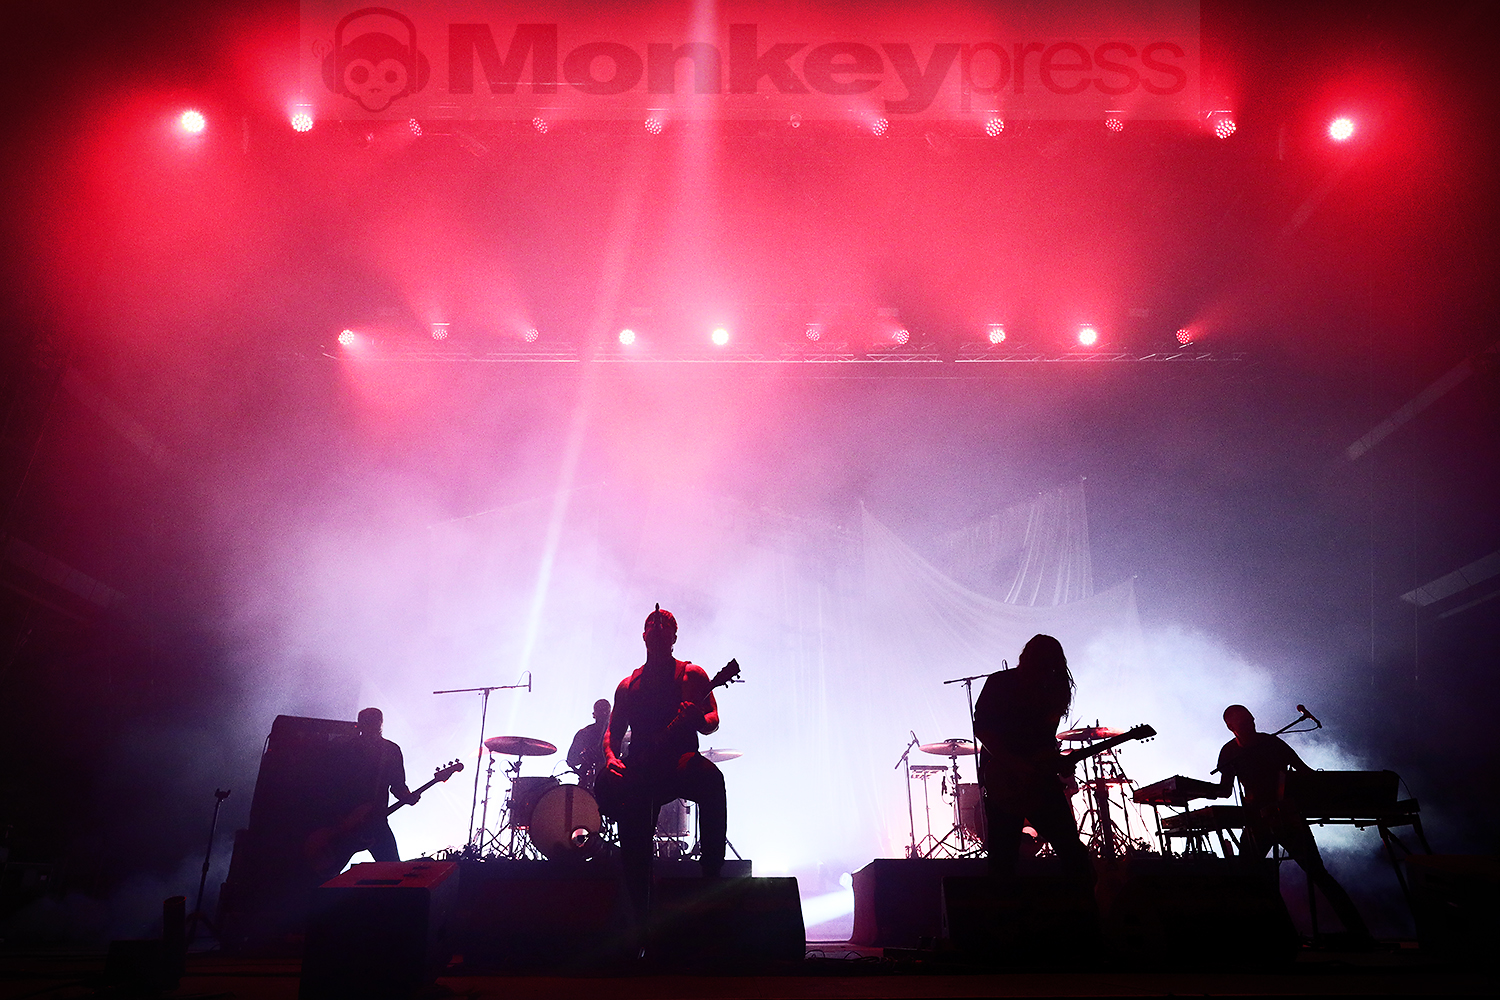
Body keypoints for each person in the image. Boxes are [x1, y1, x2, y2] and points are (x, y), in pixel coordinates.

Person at [602, 605, 727, 916]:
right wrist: (610, 758)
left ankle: (711, 878)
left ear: (674, 636)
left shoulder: (692, 675)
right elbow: (612, 733)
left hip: (680, 761)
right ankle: (640, 914)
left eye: (664, 628)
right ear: (644, 636)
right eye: (652, 628)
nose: (657, 632)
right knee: (634, 839)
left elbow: (713, 720)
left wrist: (699, 719)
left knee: (712, 780)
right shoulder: (628, 685)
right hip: (642, 768)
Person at [1213, 704, 1372, 940]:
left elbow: (1304, 772)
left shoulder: (1272, 743)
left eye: (1251, 719)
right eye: (1244, 721)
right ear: (1231, 727)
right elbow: (1225, 791)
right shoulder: (1229, 752)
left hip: (1287, 817)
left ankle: (1359, 932)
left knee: (1318, 873)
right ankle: (1257, 936)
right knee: (1244, 877)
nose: (1251, 723)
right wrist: (1189, 791)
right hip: (1257, 821)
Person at [973, 634, 1094, 884]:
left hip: (1039, 783)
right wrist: (1014, 764)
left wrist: (1059, 762)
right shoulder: (1001, 683)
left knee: (1073, 854)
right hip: (1004, 781)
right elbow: (983, 729)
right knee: (1003, 860)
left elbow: (1043, 741)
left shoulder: (1050, 693)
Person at [350, 707, 419, 863]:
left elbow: (398, 787)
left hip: (355, 820)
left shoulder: (346, 747)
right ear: (381, 724)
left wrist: (407, 797)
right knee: (392, 869)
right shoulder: (390, 749)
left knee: (327, 870)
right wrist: (408, 798)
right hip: (370, 821)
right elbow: (398, 787)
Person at [566, 698, 611, 792]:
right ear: (594, 714)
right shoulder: (584, 733)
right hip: (589, 783)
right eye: (601, 711)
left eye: (605, 711)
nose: (603, 714)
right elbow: (571, 760)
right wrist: (586, 757)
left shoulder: (617, 734)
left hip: (612, 782)